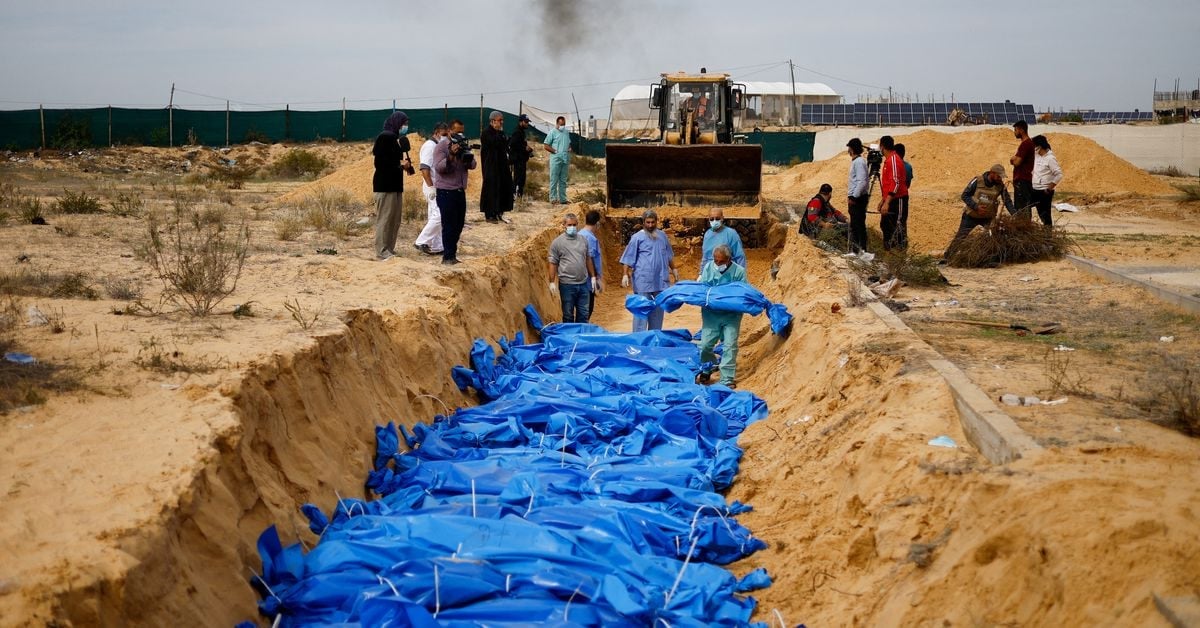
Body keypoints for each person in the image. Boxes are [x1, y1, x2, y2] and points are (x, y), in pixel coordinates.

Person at [619, 210, 679, 332]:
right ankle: (639, 338)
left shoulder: (663, 236)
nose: (650, 225)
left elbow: (668, 256)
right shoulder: (637, 238)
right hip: (643, 281)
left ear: (657, 222)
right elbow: (628, 257)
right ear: (643, 223)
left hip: (660, 281)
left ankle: (654, 336)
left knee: (658, 312)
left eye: (653, 222)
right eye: (648, 222)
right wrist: (625, 274)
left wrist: (674, 269)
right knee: (641, 312)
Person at [696, 244, 747, 388]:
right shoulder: (708, 268)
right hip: (711, 315)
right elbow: (703, 289)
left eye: (721, 261)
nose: (718, 264)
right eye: (715, 260)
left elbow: (742, 292)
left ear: (729, 259)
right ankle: (708, 367)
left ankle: (727, 378)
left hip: (731, 315)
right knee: (705, 345)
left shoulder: (739, 272)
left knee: (729, 345)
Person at [942, 164, 1015, 261]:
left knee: (993, 237)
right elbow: (964, 195)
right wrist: (976, 207)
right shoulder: (977, 181)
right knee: (961, 237)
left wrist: (1014, 214)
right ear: (992, 173)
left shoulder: (1000, 185)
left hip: (988, 217)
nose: (1000, 178)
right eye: (998, 176)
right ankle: (948, 258)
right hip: (971, 216)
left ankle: (991, 259)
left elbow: (1007, 201)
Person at [371, 111, 413, 261]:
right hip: (385, 186)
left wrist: (403, 167)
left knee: (395, 220)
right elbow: (380, 163)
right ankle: (381, 250)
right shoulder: (385, 137)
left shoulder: (396, 139)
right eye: (404, 124)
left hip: (395, 185)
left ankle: (389, 249)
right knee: (385, 219)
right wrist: (400, 165)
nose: (405, 127)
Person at [433, 126, 477, 265]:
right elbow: (440, 168)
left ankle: (452, 254)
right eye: (456, 131)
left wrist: (466, 154)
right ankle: (447, 256)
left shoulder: (463, 146)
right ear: (450, 132)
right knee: (449, 225)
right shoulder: (441, 147)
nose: (459, 134)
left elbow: (473, 165)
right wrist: (451, 155)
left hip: (459, 191)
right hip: (446, 191)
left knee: (459, 224)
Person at [547, 213, 597, 323]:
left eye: (574, 225)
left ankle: (581, 338)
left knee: (583, 314)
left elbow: (588, 258)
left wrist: (593, 276)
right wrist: (551, 281)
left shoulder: (583, 240)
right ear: (564, 225)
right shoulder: (557, 243)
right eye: (569, 225)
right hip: (567, 285)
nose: (572, 228)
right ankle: (569, 338)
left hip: (583, 284)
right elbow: (553, 262)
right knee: (568, 315)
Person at [413, 122, 449, 256]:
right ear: (437, 133)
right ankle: (421, 241)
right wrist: (431, 187)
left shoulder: (437, 146)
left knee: (434, 216)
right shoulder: (430, 146)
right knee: (440, 214)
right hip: (432, 185)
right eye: (444, 135)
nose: (446, 137)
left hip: (438, 185)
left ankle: (436, 246)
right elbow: (424, 168)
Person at [480, 111, 514, 224]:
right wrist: (499, 134)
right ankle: (489, 214)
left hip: (501, 166)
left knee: (502, 188)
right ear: (492, 121)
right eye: (499, 120)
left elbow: (504, 144)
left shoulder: (501, 133)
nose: (501, 122)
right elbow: (493, 143)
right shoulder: (486, 133)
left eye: (502, 120)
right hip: (490, 166)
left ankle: (499, 212)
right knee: (491, 189)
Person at [877, 135, 909, 250]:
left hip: (898, 199)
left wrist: (887, 202)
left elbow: (895, 182)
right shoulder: (888, 161)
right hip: (890, 199)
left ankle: (899, 254)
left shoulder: (893, 160)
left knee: (898, 226)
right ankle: (889, 251)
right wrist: (883, 200)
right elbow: (888, 184)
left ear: (882, 146)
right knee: (886, 225)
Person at [1030, 134, 1063, 227]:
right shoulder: (1037, 156)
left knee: (1044, 215)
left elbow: (1059, 174)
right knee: (1026, 207)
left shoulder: (1050, 158)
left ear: (1039, 147)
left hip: (1044, 191)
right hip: (1034, 189)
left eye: (1034, 146)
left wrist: (1049, 188)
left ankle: (1048, 236)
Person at [846, 138, 869, 253]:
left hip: (858, 199)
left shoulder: (859, 162)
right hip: (856, 198)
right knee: (855, 225)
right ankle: (856, 250)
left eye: (849, 148)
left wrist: (854, 197)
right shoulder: (856, 162)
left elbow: (862, 181)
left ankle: (859, 250)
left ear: (852, 149)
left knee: (857, 225)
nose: (848, 150)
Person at [580, 209, 604, 315]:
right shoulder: (590, 238)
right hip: (588, 280)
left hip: (580, 278)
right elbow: (590, 259)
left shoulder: (579, 234)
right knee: (587, 310)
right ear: (597, 223)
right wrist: (596, 277)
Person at [543, 115, 571, 204]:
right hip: (556, 159)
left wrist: (569, 148)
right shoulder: (552, 132)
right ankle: (553, 199)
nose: (563, 126)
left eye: (564, 124)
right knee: (554, 179)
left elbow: (568, 143)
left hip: (565, 159)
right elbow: (546, 145)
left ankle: (563, 199)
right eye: (561, 124)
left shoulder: (566, 132)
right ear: (557, 124)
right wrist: (555, 151)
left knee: (563, 180)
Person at [1010, 120, 1035, 218]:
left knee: (1022, 208)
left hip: (1022, 180)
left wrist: (1012, 159)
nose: (1014, 132)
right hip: (1024, 180)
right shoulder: (1028, 143)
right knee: (1024, 207)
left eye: (1015, 130)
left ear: (1021, 130)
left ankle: (1023, 229)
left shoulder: (1026, 144)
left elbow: (1017, 162)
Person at [509, 114, 534, 198]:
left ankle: (519, 196)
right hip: (518, 159)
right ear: (521, 122)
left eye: (528, 122)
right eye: (526, 122)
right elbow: (513, 144)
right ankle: (515, 196)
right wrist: (525, 148)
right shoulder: (517, 132)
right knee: (518, 179)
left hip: (521, 159)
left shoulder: (521, 132)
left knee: (521, 179)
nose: (527, 124)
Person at [894, 143, 914, 249]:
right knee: (901, 223)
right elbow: (908, 184)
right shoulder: (908, 166)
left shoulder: (896, 165)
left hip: (897, 198)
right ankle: (901, 247)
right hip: (903, 197)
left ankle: (898, 246)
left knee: (897, 223)